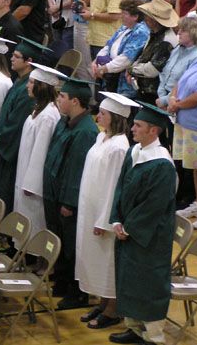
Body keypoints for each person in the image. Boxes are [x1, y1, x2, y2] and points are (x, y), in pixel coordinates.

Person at [109, 103, 176, 345]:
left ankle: (154, 336)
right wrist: (116, 218)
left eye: (138, 125)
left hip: (150, 237)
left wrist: (130, 227)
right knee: (129, 280)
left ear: (154, 131)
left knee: (149, 284)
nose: (132, 129)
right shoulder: (135, 151)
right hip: (128, 230)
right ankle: (135, 328)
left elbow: (154, 206)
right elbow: (121, 186)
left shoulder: (162, 164)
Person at [75, 92, 138, 329]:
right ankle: (102, 302)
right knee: (94, 261)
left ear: (115, 117)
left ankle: (113, 309)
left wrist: (104, 220)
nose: (97, 116)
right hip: (89, 207)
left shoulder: (119, 147)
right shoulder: (102, 138)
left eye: (103, 113)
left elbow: (114, 187)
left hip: (103, 215)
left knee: (106, 262)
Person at [43, 77, 98, 309]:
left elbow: (77, 170)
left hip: (69, 198)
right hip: (55, 192)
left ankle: (77, 291)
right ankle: (63, 279)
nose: (58, 100)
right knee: (61, 241)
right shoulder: (65, 122)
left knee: (72, 244)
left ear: (75, 101)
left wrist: (68, 201)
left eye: (62, 97)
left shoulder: (85, 131)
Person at [0, 37, 49, 209]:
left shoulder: (27, 90)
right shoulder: (19, 81)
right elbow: (4, 113)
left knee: (6, 193)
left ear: (29, 61)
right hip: (4, 143)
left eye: (16, 56)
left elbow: (16, 122)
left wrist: (0, 141)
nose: (11, 58)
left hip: (12, 150)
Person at [13, 63, 63, 240]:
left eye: (32, 82)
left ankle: (38, 258)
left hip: (34, 184)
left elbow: (41, 153)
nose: (27, 85)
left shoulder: (48, 116)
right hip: (24, 172)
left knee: (35, 221)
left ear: (41, 87)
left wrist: (31, 184)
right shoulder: (37, 110)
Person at [169, 33, 197, 230]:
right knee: (194, 166)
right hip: (184, 122)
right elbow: (179, 82)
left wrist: (178, 105)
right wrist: (173, 98)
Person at [92, 0, 150, 95]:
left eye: (124, 13)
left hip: (122, 80)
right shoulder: (124, 27)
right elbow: (108, 45)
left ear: (135, 16)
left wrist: (104, 69)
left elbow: (126, 59)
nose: (121, 16)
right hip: (109, 73)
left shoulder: (141, 32)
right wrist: (96, 61)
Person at [129, 0, 179, 104]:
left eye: (147, 16)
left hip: (154, 92)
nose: (145, 18)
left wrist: (132, 69)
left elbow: (152, 70)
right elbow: (144, 55)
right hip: (145, 89)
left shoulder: (167, 41)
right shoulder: (155, 34)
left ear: (153, 20)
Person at [156, 17, 197, 109]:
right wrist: (161, 95)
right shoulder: (178, 49)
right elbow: (164, 73)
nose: (178, 33)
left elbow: (185, 85)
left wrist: (165, 100)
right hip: (161, 98)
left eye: (183, 30)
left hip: (176, 103)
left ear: (193, 33)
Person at [72, 0, 99, 81]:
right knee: (79, 60)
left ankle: (91, 95)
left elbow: (85, 1)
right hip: (76, 22)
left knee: (87, 60)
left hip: (86, 25)